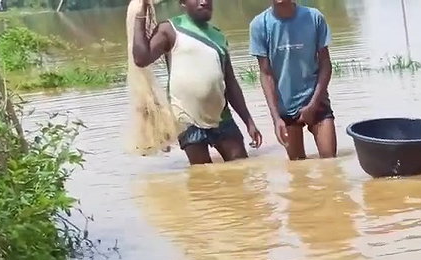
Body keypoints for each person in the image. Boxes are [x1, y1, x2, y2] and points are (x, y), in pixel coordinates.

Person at [130, 0, 262, 165]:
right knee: (202, 177)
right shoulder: (170, 29)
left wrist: (249, 122)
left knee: (241, 167)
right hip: (187, 119)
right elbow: (141, 59)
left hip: (221, 116)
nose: (204, 1)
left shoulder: (218, 36)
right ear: (183, 3)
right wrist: (139, 17)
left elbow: (230, 83)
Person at [249, 0, 335, 160]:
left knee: (330, 163)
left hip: (317, 101)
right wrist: (276, 119)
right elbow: (266, 74)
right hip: (285, 108)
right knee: (297, 169)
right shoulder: (260, 25)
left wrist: (313, 104)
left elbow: (326, 64)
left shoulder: (314, 17)